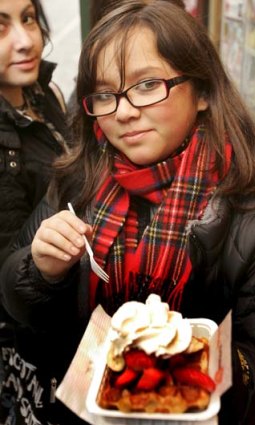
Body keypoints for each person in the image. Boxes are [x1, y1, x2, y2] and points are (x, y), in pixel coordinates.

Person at [0, 1, 255, 424]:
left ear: (203, 91)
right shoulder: (78, 179)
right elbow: (16, 301)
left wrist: (198, 361)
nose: (125, 111)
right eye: (105, 94)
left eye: (148, 85)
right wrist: (39, 271)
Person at [0, 0, 69, 423]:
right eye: (0, 26)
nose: (26, 41)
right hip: (26, 342)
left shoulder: (43, 93)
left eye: (28, 18)